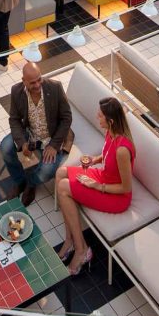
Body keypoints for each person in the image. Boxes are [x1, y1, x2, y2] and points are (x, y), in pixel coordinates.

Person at [55, 97, 135, 275]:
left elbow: (126, 188)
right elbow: (107, 155)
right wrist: (95, 160)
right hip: (104, 177)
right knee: (60, 173)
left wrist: (96, 186)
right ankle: (69, 240)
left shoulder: (123, 150)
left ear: (111, 120)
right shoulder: (111, 131)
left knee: (63, 187)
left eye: (100, 116)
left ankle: (82, 250)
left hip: (115, 195)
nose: (97, 118)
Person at [1, 61, 74, 206]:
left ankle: (31, 184)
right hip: (29, 133)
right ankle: (19, 181)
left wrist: (54, 145)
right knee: (5, 147)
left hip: (51, 137)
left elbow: (67, 118)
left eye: (39, 79)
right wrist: (22, 143)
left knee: (46, 172)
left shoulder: (55, 88)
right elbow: (14, 119)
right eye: (32, 82)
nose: (37, 85)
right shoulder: (16, 91)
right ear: (24, 81)